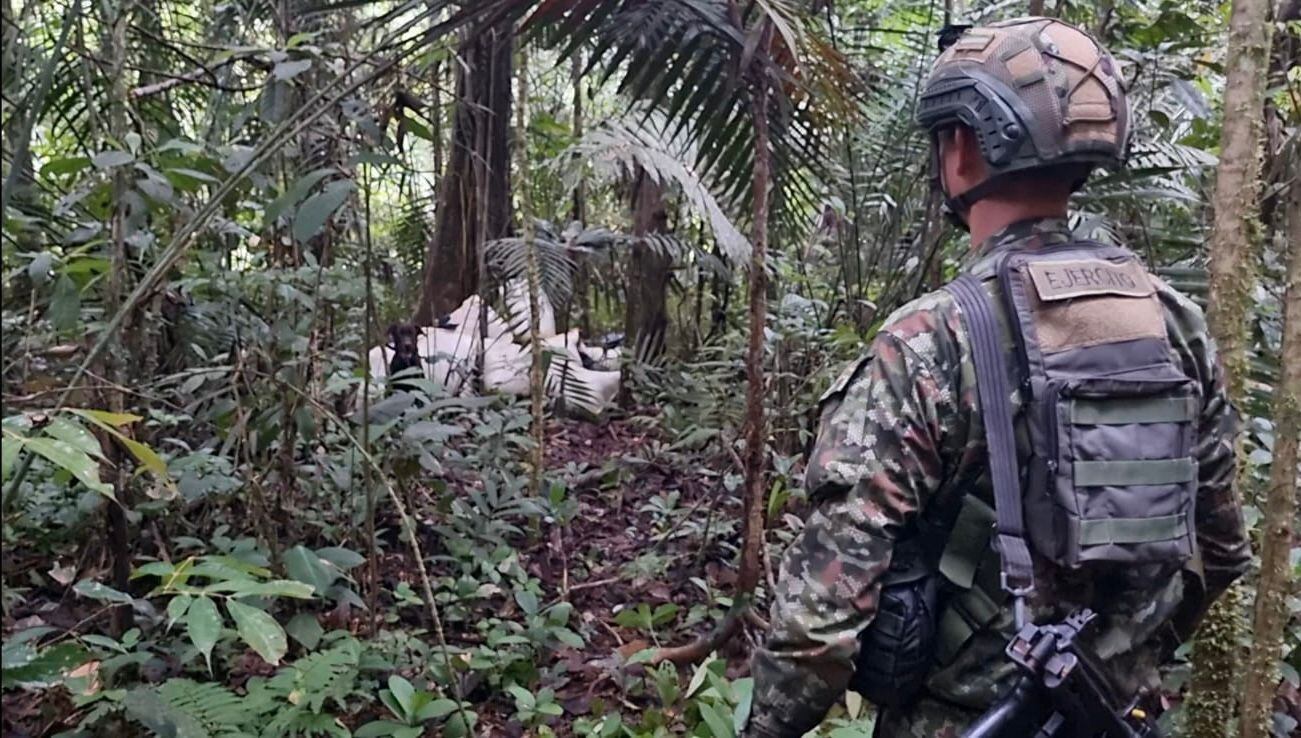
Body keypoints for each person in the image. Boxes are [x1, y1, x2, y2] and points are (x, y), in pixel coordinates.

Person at [743, 16, 1250, 738]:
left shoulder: (928, 341)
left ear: (960, 147)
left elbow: (819, 621)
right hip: (1117, 715)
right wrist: (1116, 654)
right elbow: (1220, 549)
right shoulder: (1171, 321)